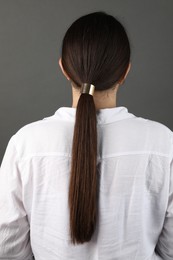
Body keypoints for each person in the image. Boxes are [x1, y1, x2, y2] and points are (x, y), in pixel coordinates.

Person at [0, 11, 172, 260]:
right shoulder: (163, 143)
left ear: (64, 69)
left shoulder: (25, 144)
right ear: (125, 72)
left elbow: (7, 245)